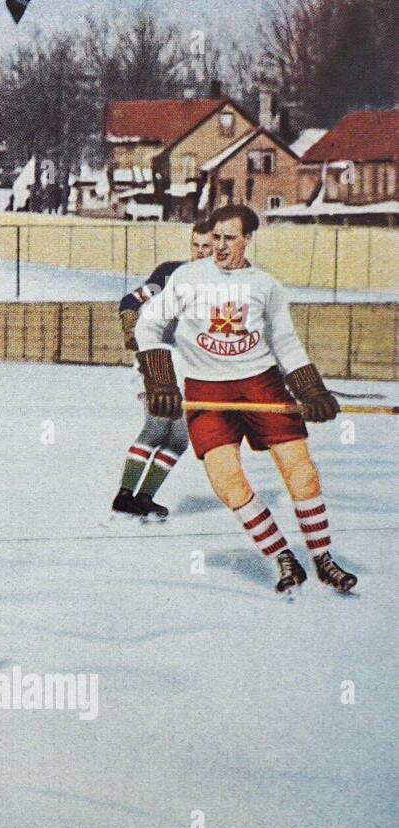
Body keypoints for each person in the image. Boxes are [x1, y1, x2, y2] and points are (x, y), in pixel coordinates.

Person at [135, 204, 355, 595]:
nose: (219, 247)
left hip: (260, 383)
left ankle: (323, 558)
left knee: (299, 468)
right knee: (226, 481)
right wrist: (161, 383)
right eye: (215, 238)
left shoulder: (265, 285)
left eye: (229, 238)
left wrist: (311, 391)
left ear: (247, 239)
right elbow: (148, 323)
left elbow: (284, 341)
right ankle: (282, 556)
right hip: (206, 387)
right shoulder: (188, 277)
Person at [112, 216, 213, 520]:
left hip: (194, 366)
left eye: (207, 246)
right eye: (196, 245)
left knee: (179, 439)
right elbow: (131, 300)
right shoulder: (171, 273)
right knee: (157, 428)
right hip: (161, 360)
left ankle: (143, 498)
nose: (200, 252)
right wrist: (130, 328)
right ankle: (124, 497)